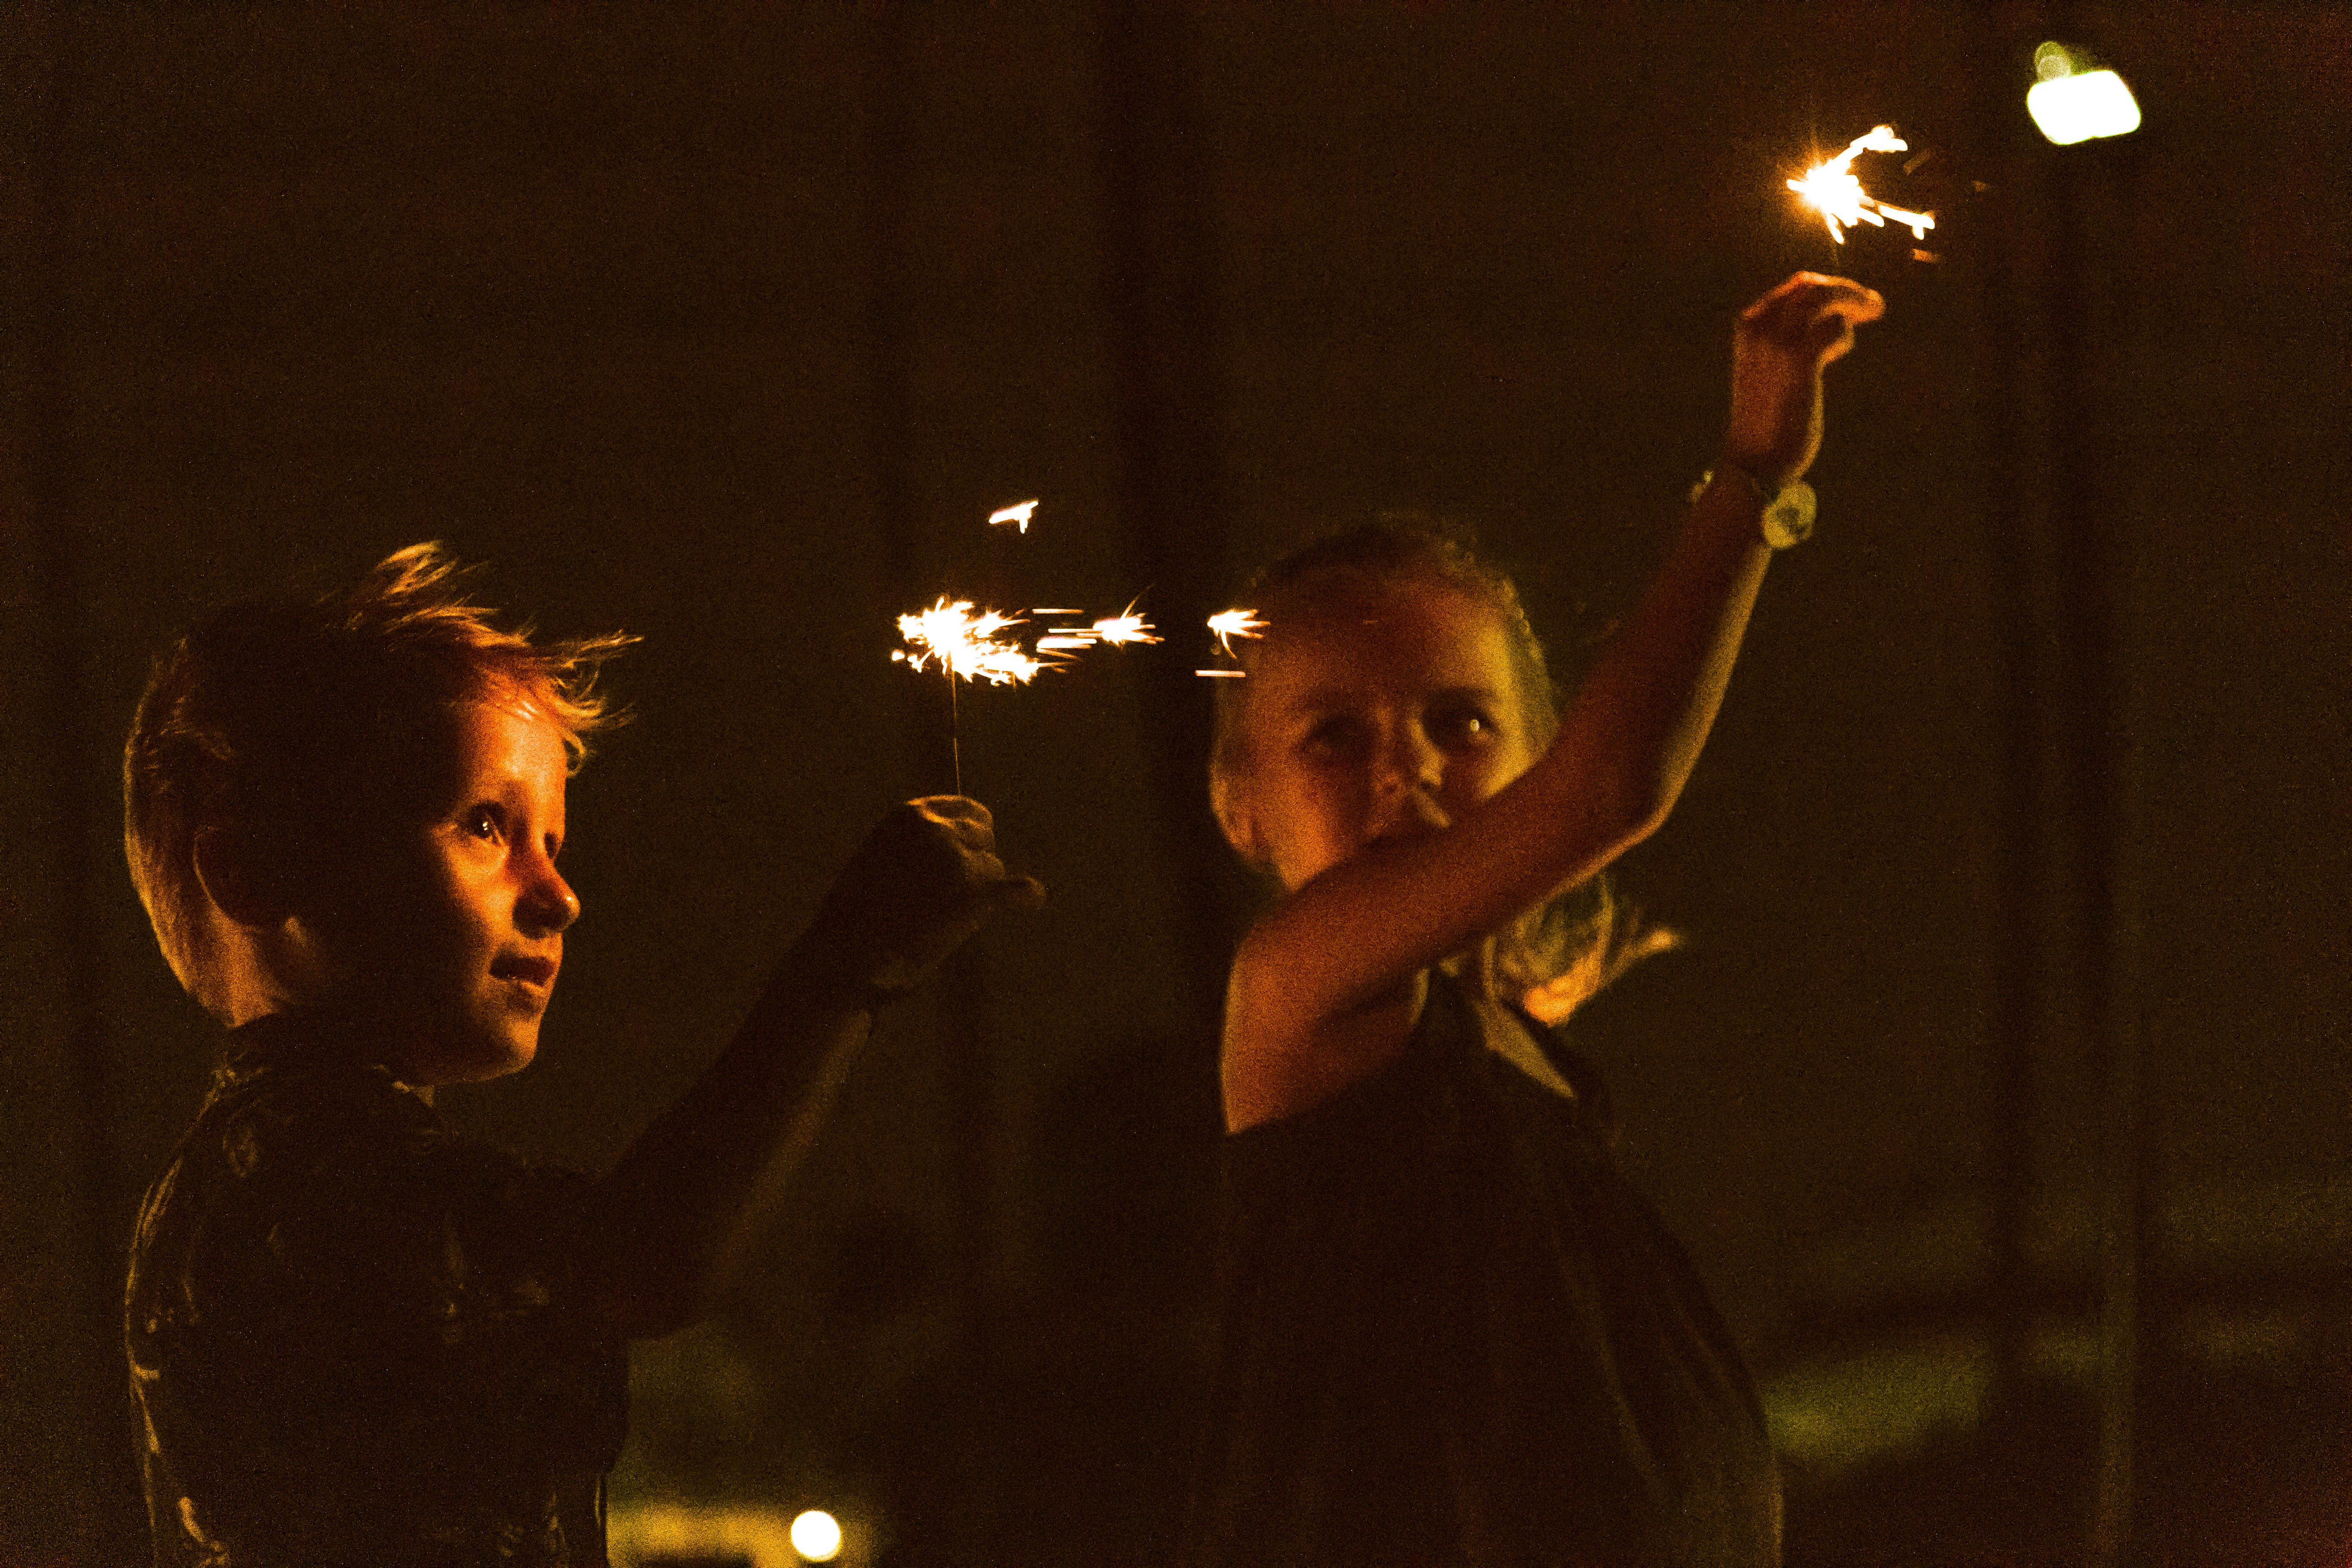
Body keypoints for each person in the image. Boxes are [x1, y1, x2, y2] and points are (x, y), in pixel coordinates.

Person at [120, 543, 1041, 1568]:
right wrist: (847, 964)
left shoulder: (299, 1171)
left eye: (554, 842)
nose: (559, 897)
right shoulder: (300, 1182)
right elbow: (643, 1262)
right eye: (485, 826)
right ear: (255, 870)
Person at [1183, 272, 1884, 1567]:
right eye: (1334, 738)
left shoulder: (1536, 1068)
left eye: (1461, 722)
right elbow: (1612, 791)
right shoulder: (1300, 993)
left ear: (1530, 750)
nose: (1406, 770)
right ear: (1241, 808)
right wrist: (1748, 481)